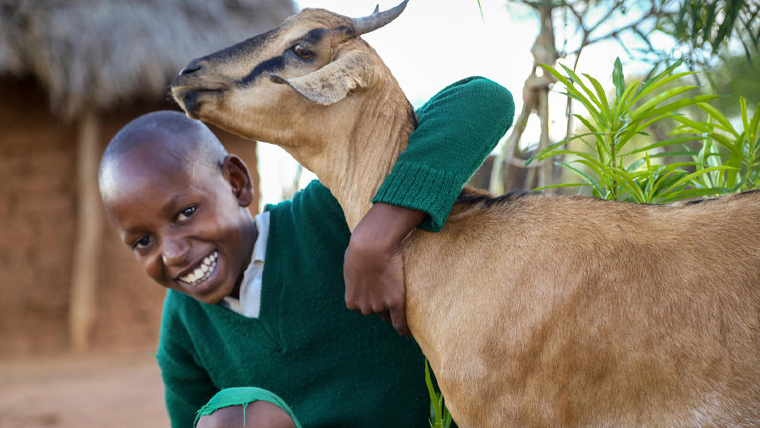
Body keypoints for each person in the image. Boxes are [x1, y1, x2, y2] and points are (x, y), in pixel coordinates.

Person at [99, 76, 514, 427]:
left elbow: (483, 100)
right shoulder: (185, 327)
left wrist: (375, 238)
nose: (171, 253)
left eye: (186, 213)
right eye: (143, 242)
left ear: (237, 182)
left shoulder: (330, 213)